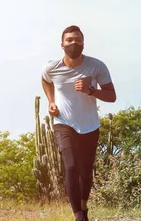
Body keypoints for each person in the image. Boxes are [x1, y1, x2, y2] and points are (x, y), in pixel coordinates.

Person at [41, 25, 117, 221]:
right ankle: (78, 217)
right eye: (69, 40)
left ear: (83, 43)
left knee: (85, 171)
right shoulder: (52, 67)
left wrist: (91, 90)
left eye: (77, 40)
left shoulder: (96, 66)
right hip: (64, 123)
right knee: (71, 167)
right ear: (62, 44)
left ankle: (84, 208)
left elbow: (112, 96)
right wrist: (51, 101)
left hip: (90, 125)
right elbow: (45, 80)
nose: (73, 43)